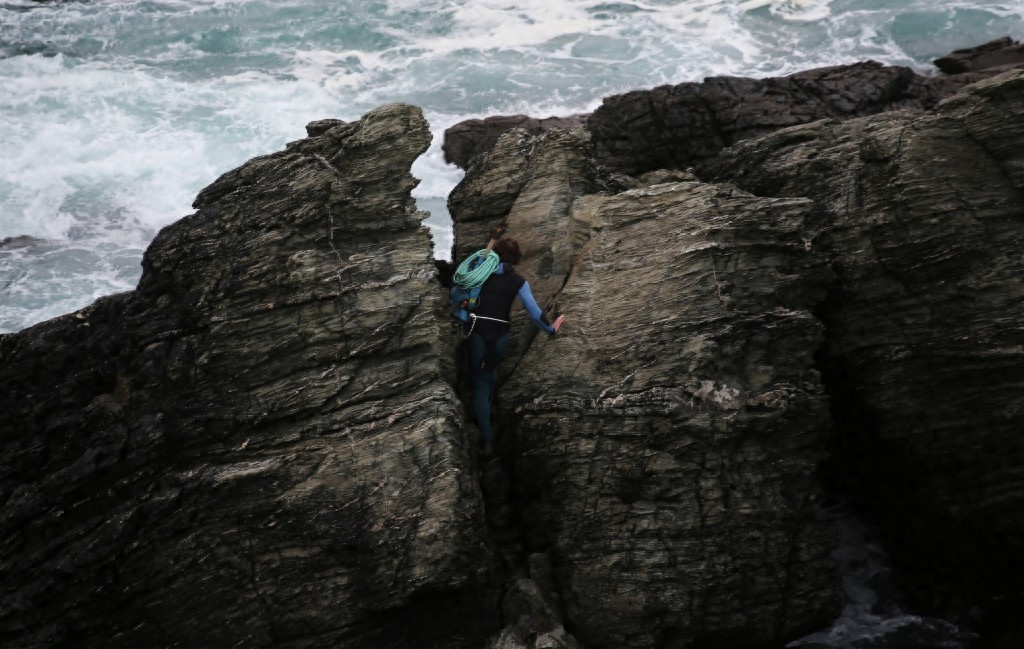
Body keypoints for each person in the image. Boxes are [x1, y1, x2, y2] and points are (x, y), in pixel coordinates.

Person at [466, 237, 564, 456]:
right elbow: (534, 313)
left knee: (480, 384)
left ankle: (487, 440)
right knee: (491, 370)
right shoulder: (519, 281)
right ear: (516, 258)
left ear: (494, 254)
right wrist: (551, 330)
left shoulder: (479, 273)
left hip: (478, 330)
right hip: (501, 334)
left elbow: (458, 291)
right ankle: (489, 412)